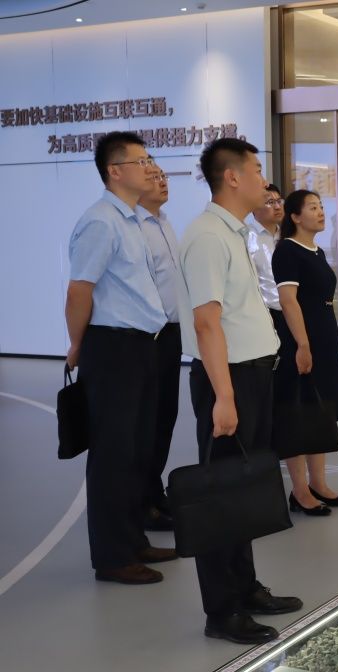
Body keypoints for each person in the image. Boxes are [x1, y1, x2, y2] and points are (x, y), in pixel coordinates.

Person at [177, 138, 302, 644]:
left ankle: (245, 587)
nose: (263, 181)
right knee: (221, 494)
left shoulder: (235, 232)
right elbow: (206, 323)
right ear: (231, 177)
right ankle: (222, 610)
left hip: (251, 374)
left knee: (243, 486)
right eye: (255, 170)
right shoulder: (208, 236)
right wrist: (224, 396)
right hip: (226, 380)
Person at [66, 131, 176, 585]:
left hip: (142, 345)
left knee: (137, 450)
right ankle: (112, 556)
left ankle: (133, 540)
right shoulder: (101, 221)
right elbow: (79, 290)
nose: (150, 168)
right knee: (113, 454)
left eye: (150, 159)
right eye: (141, 161)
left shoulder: (131, 220)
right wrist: (77, 345)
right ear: (115, 171)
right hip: (112, 348)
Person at [271, 189, 338, 515]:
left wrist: (333, 343)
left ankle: (319, 483)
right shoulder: (287, 250)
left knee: (321, 412)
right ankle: (300, 490)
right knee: (299, 414)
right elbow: (288, 301)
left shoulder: (316, 251)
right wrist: (303, 345)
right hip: (299, 339)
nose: (320, 212)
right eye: (312, 208)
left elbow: (323, 303)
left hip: (323, 337)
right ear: (294, 216)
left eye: (321, 207)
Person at [135, 167, 184, 532]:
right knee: (147, 421)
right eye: (152, 177)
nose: (162, 181)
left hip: (172, 334)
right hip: (148, 336)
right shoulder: (134, 227)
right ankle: (142, 502)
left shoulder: (165, 222)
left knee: (166, 416)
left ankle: (154, 492)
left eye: (163, 176)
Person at [246, 184, 284, 315]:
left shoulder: (288, 236)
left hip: (290, 310)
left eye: (279, 201)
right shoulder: (246, 237)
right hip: (262, 312)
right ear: (254, 208)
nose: (277, 207)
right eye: (270, 202)